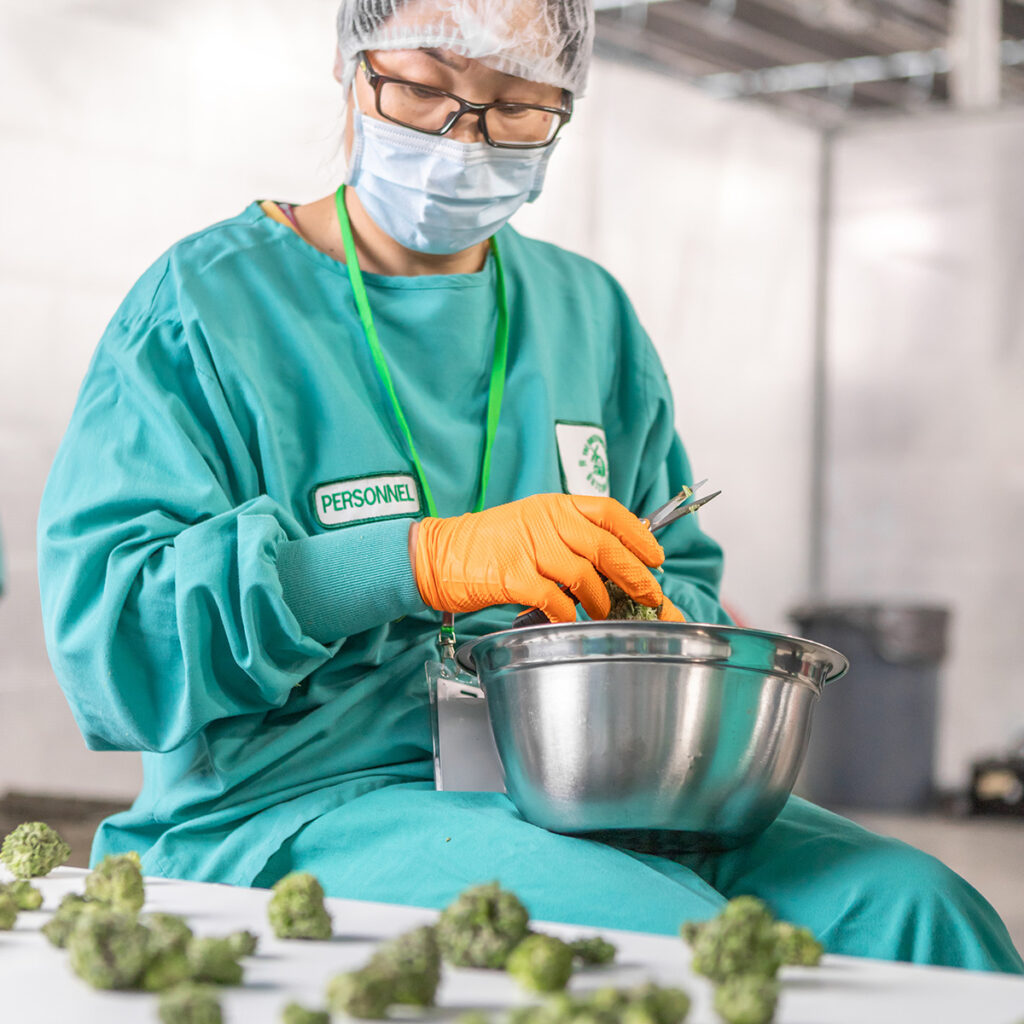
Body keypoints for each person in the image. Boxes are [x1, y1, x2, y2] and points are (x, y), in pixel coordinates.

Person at [37, 0, 1021, 974]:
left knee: (919, 912)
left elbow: (680, 580)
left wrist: (647, 613)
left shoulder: (586, 313)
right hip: (290, 802)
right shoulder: (208, 307)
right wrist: (418, 561)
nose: (463, 138)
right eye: (424, 88)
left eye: (516, 108)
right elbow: (113, 647)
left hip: (598, 789)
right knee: (653, 934)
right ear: (352, 70)